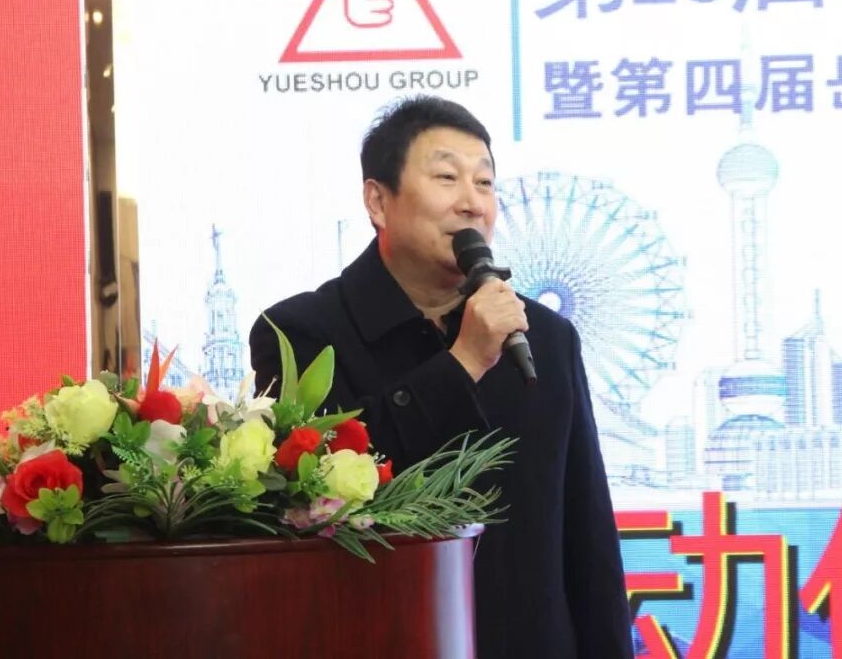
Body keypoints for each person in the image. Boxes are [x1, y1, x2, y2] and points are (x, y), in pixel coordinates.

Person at [249, 95, 632, 658]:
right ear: (378, 201)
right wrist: (465, 361)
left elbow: (588, 531)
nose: (472, 203)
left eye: (485, 183)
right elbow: (326, 494)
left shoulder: (545, 337)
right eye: (447, 178)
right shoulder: (300, 333)